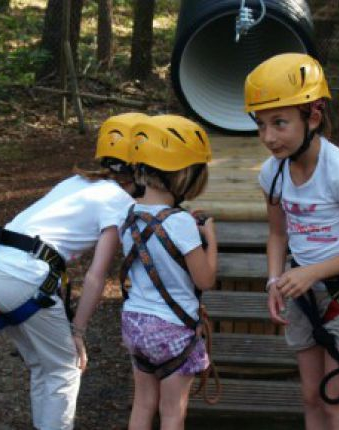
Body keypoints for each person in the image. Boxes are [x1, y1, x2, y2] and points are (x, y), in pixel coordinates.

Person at [0, 112, 147, 430]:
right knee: (65, 368)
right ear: (141, 168)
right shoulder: (119, 200)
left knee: (45, 365)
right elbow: (97, 276)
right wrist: (78, 332)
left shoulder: (78, 181)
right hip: (21, 276)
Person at [243, 53, 339, 429]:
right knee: (310, 396)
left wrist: (312, 273)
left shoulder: (338, 171)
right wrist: (275, 279)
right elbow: (277, 233)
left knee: (336, 399)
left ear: (313, 116)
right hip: (301, 292)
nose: (268, 137)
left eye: (279, 123)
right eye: (261, 125)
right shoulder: (272, 173)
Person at [118, 114, 218, 430]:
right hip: (173, 331)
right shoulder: (182, 223)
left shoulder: (128, 216)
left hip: (135, 324)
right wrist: (211, 239)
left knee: (143, 404)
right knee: (172, 412)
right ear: (185, 174)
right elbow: (205, 280)